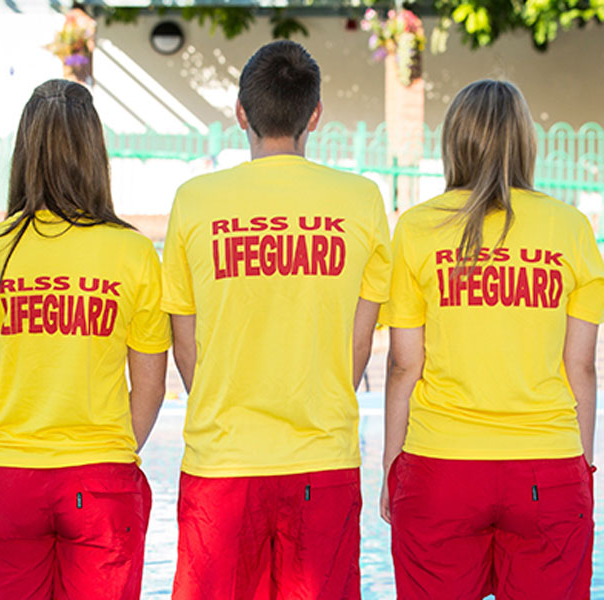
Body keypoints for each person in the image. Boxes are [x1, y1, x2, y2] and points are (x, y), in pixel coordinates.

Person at [162, 41, 392, 599]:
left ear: (241, 112)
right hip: (323, 456)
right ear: (314, 115)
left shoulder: (194, 201)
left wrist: (220, 398)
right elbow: (359, 346)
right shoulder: (361, 200)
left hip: (222, 461)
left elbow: (184, 343)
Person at [380, 79, 604, 599]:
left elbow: (403, 365)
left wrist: (394, 463)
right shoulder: (571, 228)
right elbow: (582, 368)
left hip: (440, 467)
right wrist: (582, 466)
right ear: (526, 143)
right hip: (546, 467)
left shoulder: (417, 228)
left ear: (453, 141)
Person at [0, 79, 170, 600]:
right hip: (100, 482)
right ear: (96, 151)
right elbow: (151, 388)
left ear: (23, 151)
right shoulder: (132, 254)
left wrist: (6, 436)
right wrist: (109, 449)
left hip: (6, 479)